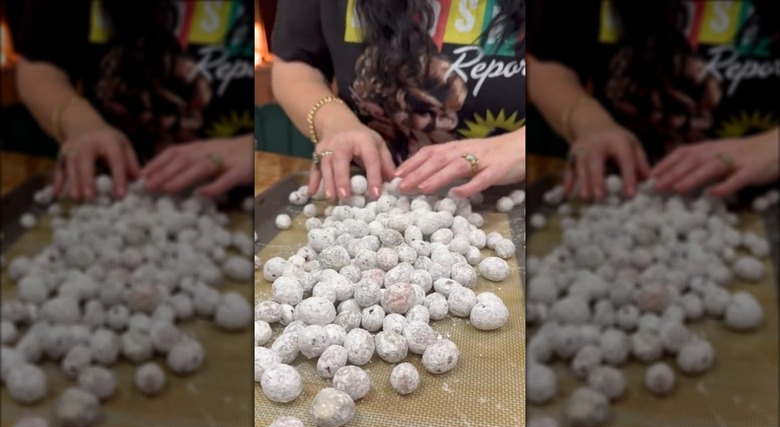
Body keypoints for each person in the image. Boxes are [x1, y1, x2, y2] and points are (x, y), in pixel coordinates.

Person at [271, 0, 525, 201]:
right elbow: (296, 63)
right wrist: (334, 123)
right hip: (372, 192)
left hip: (520, 192)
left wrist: (518, 146)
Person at [527, 0, 779, 201]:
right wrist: (591, 123)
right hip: (624, 192)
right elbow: (547, 64)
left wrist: (769, 147)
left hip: (762, 194)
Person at [9, 0, 255, 201]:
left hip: (242, 197)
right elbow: (39, 67)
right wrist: (81, 124)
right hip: (115, 192)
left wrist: (248, 148)